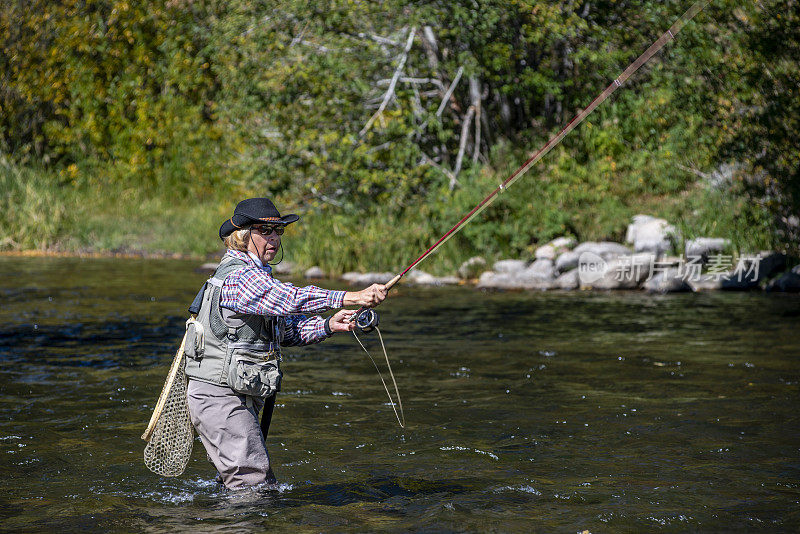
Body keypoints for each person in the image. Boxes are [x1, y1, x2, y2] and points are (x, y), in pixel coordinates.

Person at [184, 198, 387, 489]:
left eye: (279, 231)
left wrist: (329, 324)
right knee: (254, 483)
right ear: (243, 235)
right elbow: (291, 298)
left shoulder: (256, 276)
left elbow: (283, 332)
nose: (275, 238)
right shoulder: (240, 277)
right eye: (266, 231)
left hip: (236, 393)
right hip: (219, 395)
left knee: (241, 483)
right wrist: (352, 297)